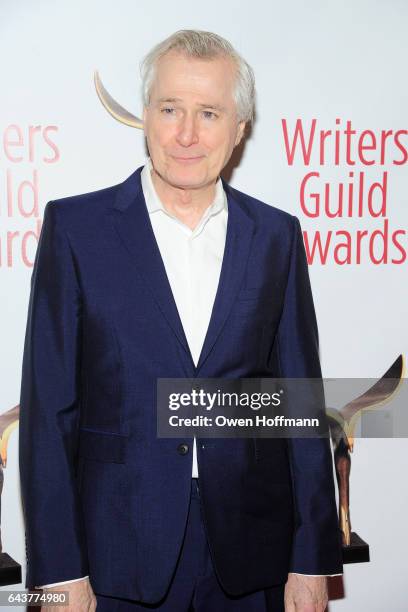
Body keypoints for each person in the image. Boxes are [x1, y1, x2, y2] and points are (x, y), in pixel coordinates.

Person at [19, 30, 343, 612]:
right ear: (146, 115)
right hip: (114, 556)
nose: (187, 134)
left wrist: (312, 556)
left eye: (209, 113)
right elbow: (49, 416)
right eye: (170, 109)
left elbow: (297, 403)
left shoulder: (275, 237)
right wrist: (58, 572)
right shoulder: (78, 231)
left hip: (250, 556)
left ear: (239, 129)